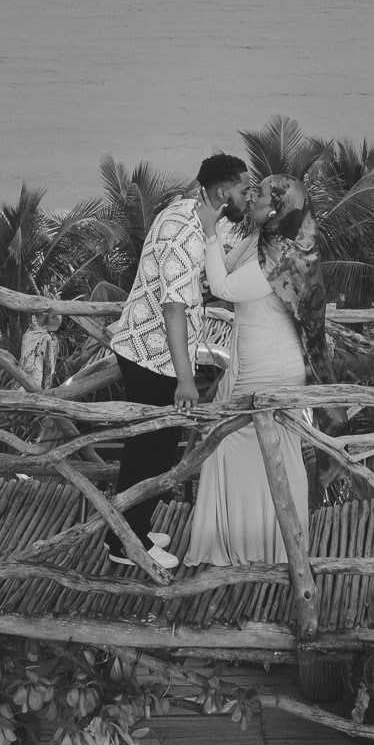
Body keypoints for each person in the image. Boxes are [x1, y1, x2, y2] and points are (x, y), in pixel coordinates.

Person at [102, 153, 253, 570]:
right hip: (151, 356)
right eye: (244, 189)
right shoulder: (179, 232)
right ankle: (122, 542)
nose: (249, 195)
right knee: (148, 452)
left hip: (161, 352)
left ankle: (137, 525)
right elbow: (173, 309)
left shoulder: (203, 216)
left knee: (157, 446)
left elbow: (223, 258)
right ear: (223, 192)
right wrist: (185, 381)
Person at [184, 177, 318, 566]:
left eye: (257, 195)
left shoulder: (280, 254)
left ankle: (269, 548)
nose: (249, 197)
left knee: (252, 449)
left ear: (274, 209)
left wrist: (209, 229)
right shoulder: (261, 239)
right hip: (254, 358)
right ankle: (259, 545)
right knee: (243, 450)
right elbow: (222, 267)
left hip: (271, 365)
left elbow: (223, 287)